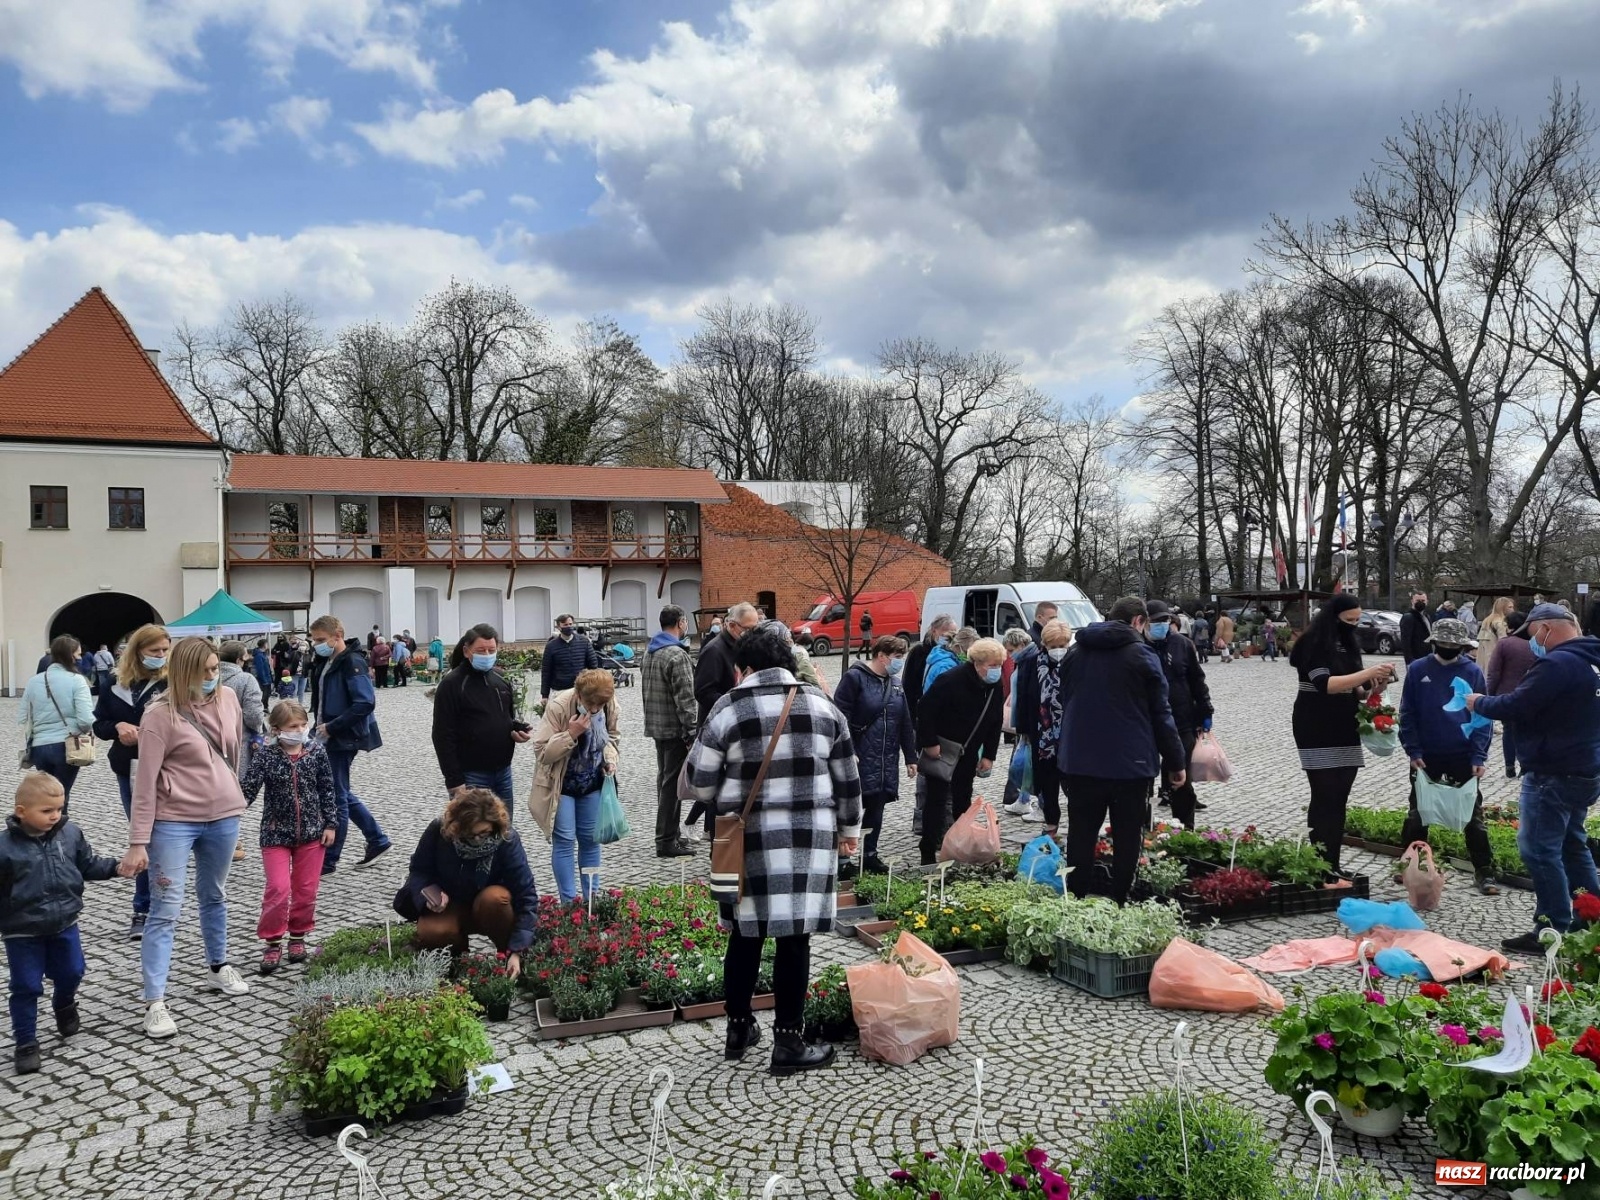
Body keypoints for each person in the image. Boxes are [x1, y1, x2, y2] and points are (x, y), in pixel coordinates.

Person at [684, 624, 862, 1075]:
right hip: (809, 841)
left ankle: (738, 1029)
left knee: (744, 937)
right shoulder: (824, 707)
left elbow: (700, 783)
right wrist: (850, 830)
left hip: (745, 842)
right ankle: (789, 1042)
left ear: (743, 668)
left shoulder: (730, 706)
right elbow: (847, 779)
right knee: (795, 939)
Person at [121, 637, 251, 1039]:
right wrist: (138, 841)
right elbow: (144, 784)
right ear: (182, 672)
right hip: (174, 821)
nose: (212, 677)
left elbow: (236, 752)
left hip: (224, 816)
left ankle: (218, 966)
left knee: (215, 894)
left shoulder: (229, 697)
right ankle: (154, 1001)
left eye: (215, 669)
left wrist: (236, 801)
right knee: (166, 907)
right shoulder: (159, 715)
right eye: (204, 671)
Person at [1467, 603, 1600, 954]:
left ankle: (1551, 927)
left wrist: (1478, 702)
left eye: (1532, 635)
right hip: (1585, 766)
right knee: (1573, 844)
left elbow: (1516, 705)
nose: (1531, 643)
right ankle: (1591, 919)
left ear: (1546, 629)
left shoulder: (1558, 663)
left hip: (1552, 770)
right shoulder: (1593, 660)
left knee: (1539, 850)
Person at [1056, 599, 1186, 902]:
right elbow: (1161, 714)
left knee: (1081, 833)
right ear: (1138, 621)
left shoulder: (1076, 652)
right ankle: (1119, 901)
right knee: (1128, 835)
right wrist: (1176, 760)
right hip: (1130, 761)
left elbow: (1066, 698)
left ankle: (1075, 900)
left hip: (1080, 759)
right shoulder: (1142, 655)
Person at [1, 773, 126, 1074]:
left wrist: (117, 867)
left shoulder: (70, 834)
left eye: (59, 809)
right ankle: (26, 1041)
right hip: (22, 930)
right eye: (47, 811)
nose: (55, 815)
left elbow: (87, 865)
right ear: (22, 812)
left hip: (64, 922)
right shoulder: (4, 848)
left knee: (72, 971)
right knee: (26, 985)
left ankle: (65, 1003)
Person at [1291, 595, 1396, 885]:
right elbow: (1325, 684)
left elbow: (1356, 690)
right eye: (1348, 620)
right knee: (1324, 794)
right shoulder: (1313, 643)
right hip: (1316, 724)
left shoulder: (1349, 644)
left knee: (1339, 798)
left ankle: (1333, 864)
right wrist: (1367, 672)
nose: (1353, 625)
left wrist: (1376, 684)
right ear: (1333, 617)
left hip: (1344, 724)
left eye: (1356, 620)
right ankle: (1319, 865)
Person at [1395, 618, 1499, 896]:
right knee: (1417, 813)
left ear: (1463, 646)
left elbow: (1482, 716)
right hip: (1427, 754)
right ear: (1434, 642)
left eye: (1454, 645)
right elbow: (1408, 713)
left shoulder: (1473, 671)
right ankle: (1410, 865)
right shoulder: (1418, 670)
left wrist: (1479, 755)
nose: (1448, 648)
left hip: (1463, 754)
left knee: (1473, 815)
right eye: (1444, 644)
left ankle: (1484, 870)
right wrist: (1413, 749)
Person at [240, 701, 337, 974]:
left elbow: (328, 789)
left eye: (303, 725)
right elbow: (247, 790)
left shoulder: (316, 751)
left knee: (306, 890)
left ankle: (298, 936)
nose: (300, 730)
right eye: (293, 726)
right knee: (278, 889)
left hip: (312, 833)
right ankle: (272, 941)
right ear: (277, 729)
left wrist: (330, 824)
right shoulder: (266, 756)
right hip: (275, 834)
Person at [394, 789, 539, 968]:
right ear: (457, 827)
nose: (477, 840)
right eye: (470, 835)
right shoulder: (439, 831)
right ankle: (458, 963)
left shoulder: (506, 839)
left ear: (495, 825)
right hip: (449, 905)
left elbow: (526, 894)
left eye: (484, 833)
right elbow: (419, 871)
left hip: (489, 908)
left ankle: (507, 957)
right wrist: (428, 897)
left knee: (494, 898)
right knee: (433, 931)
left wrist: (518, 951)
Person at [92, 624, 169, 940]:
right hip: (130, 768)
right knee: (143, 835)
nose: (161, 656)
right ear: (138, 652)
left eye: (165, 650)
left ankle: (165, 903)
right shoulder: (114, 683)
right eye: (154, 652)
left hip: (168, 769)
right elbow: (99, 724)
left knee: (165, 836)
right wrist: (118, 726)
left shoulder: (171, 682)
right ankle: (143, 908)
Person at [307, 615, 390, 873]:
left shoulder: (351, 661)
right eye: (314, 640)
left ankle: (330, 859)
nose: (316, 644)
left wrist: (333, 726)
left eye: (321, 640)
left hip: (342, 737)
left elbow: (365, 702)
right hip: (327, 734)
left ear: (338, 635)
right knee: (340, 790)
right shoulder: (327, 660)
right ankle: (377, 839)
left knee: (336, 796)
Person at [530, 668, 620, 904]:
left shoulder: (607, 703)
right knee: (565, 841)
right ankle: (569, 904)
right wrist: (571, 734)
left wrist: (610, 759)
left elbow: (612, 737)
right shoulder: (560, 706)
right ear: (579, 695)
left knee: (591, 841)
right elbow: (542, 752)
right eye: (590, 705)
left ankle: (592, 903)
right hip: (562, 785)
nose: (594, 710)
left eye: (599, 706)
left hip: (591, 782)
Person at [916, 638, 1006, 865]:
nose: (996, 670)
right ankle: (928, 850)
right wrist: (929, 742)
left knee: (962, 801)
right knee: (935, 802)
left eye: (999, 665)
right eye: (992, 665)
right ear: (977, 663)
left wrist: (989, 755)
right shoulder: (951, 680)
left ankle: (959, 846)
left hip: (969, 752)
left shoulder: (994, 685)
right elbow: (925, 710)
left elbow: (995, 720)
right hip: (943, 750)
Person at [833, 635, 915, 876]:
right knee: (851, 808)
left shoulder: (896, 684)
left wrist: (910, 757)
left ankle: (870, 854)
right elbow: (840, 717)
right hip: (859, 756)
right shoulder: (854, 678)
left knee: (877, 807)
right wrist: (850, 751)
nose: (900, 662)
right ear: (881, 656)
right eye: (897, 657)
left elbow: (905, 721)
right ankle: (843, 859)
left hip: (885, 758)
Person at [431, 624, 529, 824]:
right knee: (473, 834)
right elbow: (442, 735)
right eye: (481, 651)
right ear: (467, 651)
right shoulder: (452, 684)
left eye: (491, 651)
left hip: (503, 771)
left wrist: (516, 730)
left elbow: (504, 718)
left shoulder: (501, 679)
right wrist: (454, 781)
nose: (487, 655)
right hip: (471, 775)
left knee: (505, 830)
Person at [686, 603, 763, 836]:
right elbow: (702, 691)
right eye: (747, 628)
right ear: (730, 625)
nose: (752, 633)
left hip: (738, 725)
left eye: (755, 628)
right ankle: (715, 839)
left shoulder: (742, 648)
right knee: (717, 790)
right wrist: (733, 704)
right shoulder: (714, 650)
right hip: (718, 726)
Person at [1145, 600, 1213, 830]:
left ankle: (1185, 829)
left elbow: (1197, 679)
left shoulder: (1182, 644)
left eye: (1165, 620)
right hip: (1147, 721)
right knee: (1143, 778)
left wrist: (1205, 711)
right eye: (1156, 621)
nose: (1162, 625)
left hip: (1181, 719)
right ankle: (1142, 827)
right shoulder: (1139, 646)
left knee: (1182, 777)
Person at [641, 606, 698, 859]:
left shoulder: (650, 652)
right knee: (671, 786)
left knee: (665, 780)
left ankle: (670, 835)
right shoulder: (677, 655)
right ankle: (665, 840)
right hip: (674, 728)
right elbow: (686, 698)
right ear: (681, 623)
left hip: (656, 726)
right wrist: (692, 731)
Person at [1012, 619, 1074, 835]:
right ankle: (1051, 823)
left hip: (1070, 734)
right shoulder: (1031, 663)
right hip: (1043, 735)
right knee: (1047, 783)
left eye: (1062, 645)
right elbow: (1023, 697)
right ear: (1044, 645)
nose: (1058, 650)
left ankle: (1078, 824)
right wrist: (1023, 731)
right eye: (1053, 646)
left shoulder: (1074, 662)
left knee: (1073, 784)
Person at [18, 637, 94, 810]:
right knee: (61, 797)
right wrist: (86, 731)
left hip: (39, 747)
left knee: (46, 795)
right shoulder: (77, 680)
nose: (80, 658)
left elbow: (24, 716)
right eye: (78, 654)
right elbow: (86, 719)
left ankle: (43, 830)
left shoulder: (33, 681)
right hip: (65, 746)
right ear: (71, 656)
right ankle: (59, 834)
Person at [904, 615, 957, 840]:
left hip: (942, 724)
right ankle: (921, 819)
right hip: (922, 720)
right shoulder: (919, 653)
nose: (950, 638)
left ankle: (942, 820)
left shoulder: (951, 654)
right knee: (926, 773)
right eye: (947, 634)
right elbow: (909, 686)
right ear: (935, 631)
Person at [217, 642, 267, 863]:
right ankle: (231, 840)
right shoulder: (246, 679)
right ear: (240, 659)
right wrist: (259, 732)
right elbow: (254, 716)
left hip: (209, 742)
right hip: (239, 742)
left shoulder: (208, 676)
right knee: (236, 792)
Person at [1487, 611, 1533, 779]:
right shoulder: (1535, 645)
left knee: (1508, 730)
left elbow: (1494, 673)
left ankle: (1509, 766)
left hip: (1506, 694)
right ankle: (1525, 765)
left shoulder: (1504, 644)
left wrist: (1490, 695)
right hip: (1530, 695)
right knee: (1526, 731)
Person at [999, 629, 1035, 818]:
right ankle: (1023, 798)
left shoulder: (1030, 661)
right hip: (1022, 722)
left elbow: (1029, 695)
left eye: (1011, 649)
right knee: (1025, 765)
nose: (1009, 654)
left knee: (1028, 765)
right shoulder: (1023, 661)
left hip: (1027, 723)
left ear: (1021, 645)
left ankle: (1035, 802)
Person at [541, 614, 600, 700]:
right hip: (560, 690)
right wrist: (544, 695)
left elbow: (593, 666)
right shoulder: (551, 646)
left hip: (581, 689)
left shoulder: (584, 642)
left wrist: (594, 687)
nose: (568, 627)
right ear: (558, 627)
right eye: (565, 625)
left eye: (570, 624)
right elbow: (546, 671)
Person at [1479, 596, 1515, 662]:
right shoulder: (1500, 623)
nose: (1513, 610)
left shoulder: (1486, 621)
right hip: (1495, 657)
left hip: (1483, 657)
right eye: (1510, 607)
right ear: (1502, 608)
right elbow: (1503, 643)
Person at [1399, 593, 1432, 663]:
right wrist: (1409, 661)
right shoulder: (1408, 617)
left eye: (1423, 601)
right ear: (1412, 601)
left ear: (1427, 601)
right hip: (1416, 659)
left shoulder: (1427, 616)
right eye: (1417, 600)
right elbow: (1405, 642)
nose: (1420, 603)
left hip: (1427, 657)